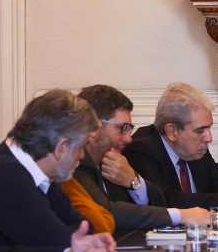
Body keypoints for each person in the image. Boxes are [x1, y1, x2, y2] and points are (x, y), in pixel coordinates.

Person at [70, 85, 209, 230]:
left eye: (129, 129)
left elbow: (160, 202)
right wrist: (180, 216)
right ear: (93, 126)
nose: (128, 138)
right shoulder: (73, 162)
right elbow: (105, 212)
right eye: (123, 128)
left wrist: (133, 180)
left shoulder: (111, 159)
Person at [123, 82, 218, 209]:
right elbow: (166, 200)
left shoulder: (196, 150)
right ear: (172, 131)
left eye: (209, 128)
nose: (209, 138)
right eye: (200, 130)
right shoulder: (140, 150)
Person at [0, 90, 98, 248]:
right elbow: (59, 242)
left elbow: (84, 228)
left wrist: (75, 242)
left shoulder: (41, 174)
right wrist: (74, 243)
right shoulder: (5, 175)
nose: (82, 155)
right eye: (81, 147)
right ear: (61, 147)